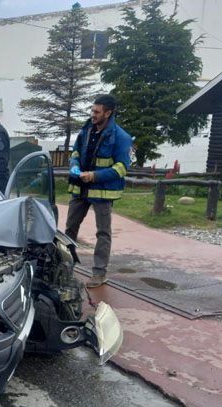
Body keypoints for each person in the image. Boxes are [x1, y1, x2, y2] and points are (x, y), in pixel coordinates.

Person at [65, 94, 132, 288]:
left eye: (97, 111)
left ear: (108, 113)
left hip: (102, 192)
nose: (92, 114)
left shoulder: (121, 137)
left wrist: (95, 176)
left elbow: (121, 168)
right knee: (70, 228)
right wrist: (75, 165)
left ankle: (99, 273)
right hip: (80, 188)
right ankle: (66, 266)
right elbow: (76, 151)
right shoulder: (86, 130)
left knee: (103, 233)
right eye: (92, 110)